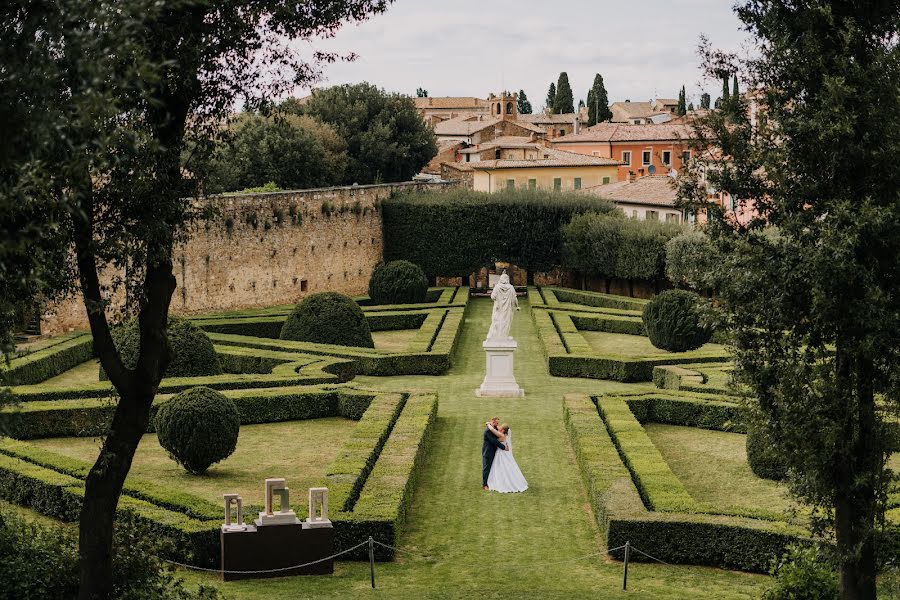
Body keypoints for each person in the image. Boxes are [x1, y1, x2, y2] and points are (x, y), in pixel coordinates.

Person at [485, 421, 528, 493]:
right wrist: (495, 424)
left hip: (501, 453)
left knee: (500, 467)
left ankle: (502, 482)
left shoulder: (501, 435)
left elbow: (493, 430)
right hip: (507, 453)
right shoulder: (508, 433)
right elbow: (500, 428)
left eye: (501, 428)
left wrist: (488, 424)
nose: (499, 429)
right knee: (509, 466)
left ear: (503, 430)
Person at [486, 271, 519, 341]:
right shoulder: (511, 287)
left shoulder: (497, 287)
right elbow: (515, 299)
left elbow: (492, 297)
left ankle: (496, 335)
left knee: (497, 320)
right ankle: (504, 336)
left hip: (498, 308)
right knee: (506, 322)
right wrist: (517, 306)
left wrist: (498, 298)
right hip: (507, 309)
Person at [482, 417, 507, 490]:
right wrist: (504, 447)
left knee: (492, 467)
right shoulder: (487, 431)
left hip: (494, 452)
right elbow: (494, 441)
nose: (497, 425)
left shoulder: (494, 429)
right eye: (496, 423)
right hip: (488, 452)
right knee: (486, 468)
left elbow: (499, 432)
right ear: (492, 422)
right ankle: (485, 485)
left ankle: (491, 482)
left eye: (498, 423)